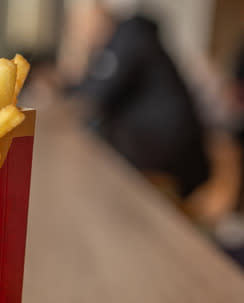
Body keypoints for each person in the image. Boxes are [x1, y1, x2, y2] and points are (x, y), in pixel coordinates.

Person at [71, 12, 210, 199]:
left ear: (101, 17)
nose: (80, 32)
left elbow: (96, 95)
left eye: (80, 25)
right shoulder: (118, 42)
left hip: (168, 149)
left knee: (94, 169)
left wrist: (82, 53)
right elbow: (91, 86)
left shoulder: (131, 35)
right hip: (156, 143)